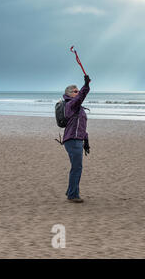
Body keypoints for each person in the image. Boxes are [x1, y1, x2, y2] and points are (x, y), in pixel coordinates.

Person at [63, 75, 91, 203]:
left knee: (76, 167)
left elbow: (81, 126)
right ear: (69, 94)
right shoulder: (71, 104)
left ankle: (71, 191)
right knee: (77, 167)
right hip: (72, 140)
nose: (78, 93)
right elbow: (81, 97)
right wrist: (86, 85)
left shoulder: (79, 108)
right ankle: (73, 195)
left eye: (78, 90)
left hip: (78, 140)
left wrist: (86, 141)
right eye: (75, 91)